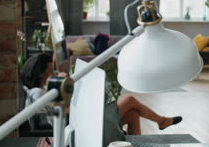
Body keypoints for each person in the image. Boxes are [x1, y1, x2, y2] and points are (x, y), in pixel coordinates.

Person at [21, 53, 182, 135]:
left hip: (79, 122)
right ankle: (162, 121)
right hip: (77, 128)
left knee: (133, 115)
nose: (53, 73)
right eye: (50, 71)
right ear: (41, 73)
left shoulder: (39, 91)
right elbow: (61, 114)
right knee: (130, 100)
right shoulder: (38, 93)